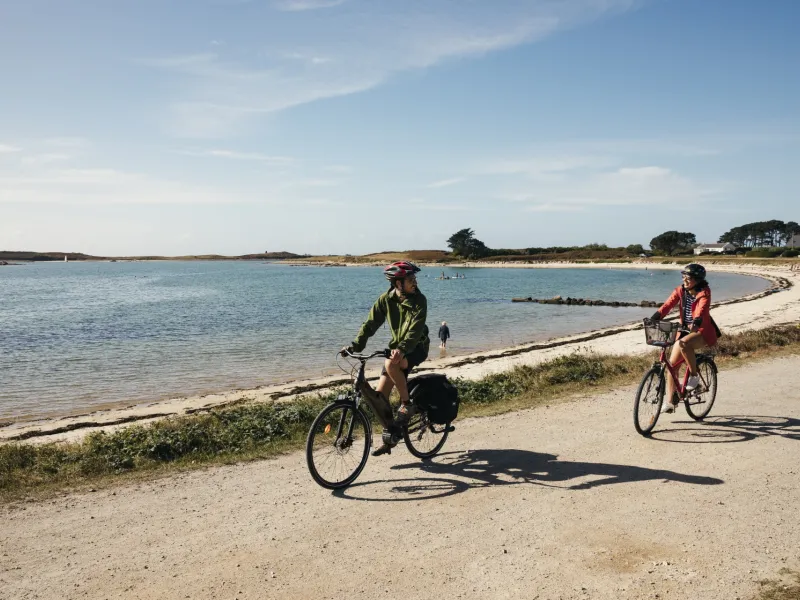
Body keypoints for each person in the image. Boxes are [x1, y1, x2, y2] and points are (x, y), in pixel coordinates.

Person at [342, 261, 430, 455]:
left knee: (391, 363)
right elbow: (370, 324)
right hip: (397, 350)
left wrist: (402, 349)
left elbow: (414, 330)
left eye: (414, 278)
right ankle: (392, 437)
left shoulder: (419, 300)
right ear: (398, 283)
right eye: (410, 279)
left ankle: (407, 404)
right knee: (379, 399)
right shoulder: (386, 300)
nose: (414, 282)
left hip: (416, 347)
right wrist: (355, 346)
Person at [649, 263, 718, 413]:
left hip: (702, 331)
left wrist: (696, 322)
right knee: (671, 366)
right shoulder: (681, 290)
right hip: (684, 330)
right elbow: (667, 305)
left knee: (684, 344)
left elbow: (702, 309)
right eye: (683, 276)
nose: (685, 280)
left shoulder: (704, 292)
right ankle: (670, 403)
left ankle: (694, 377)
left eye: (688, 277)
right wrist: (655, 317)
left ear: (697, 280)